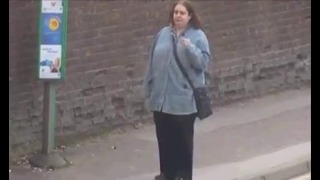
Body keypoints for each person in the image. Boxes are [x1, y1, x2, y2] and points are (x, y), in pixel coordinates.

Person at [142, 0, 212, 180]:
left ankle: (183, 176)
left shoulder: (198, 36)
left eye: (182, 13)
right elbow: (151, 62)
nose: (178, 16)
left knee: (183, 143)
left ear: (190, 16)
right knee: (164, 141)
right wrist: (147, 89)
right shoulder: (163, 34)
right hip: (161, 100)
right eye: (176, 12)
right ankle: (167, 174)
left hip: (183, 101)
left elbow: (203, 64)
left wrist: (189, 47)